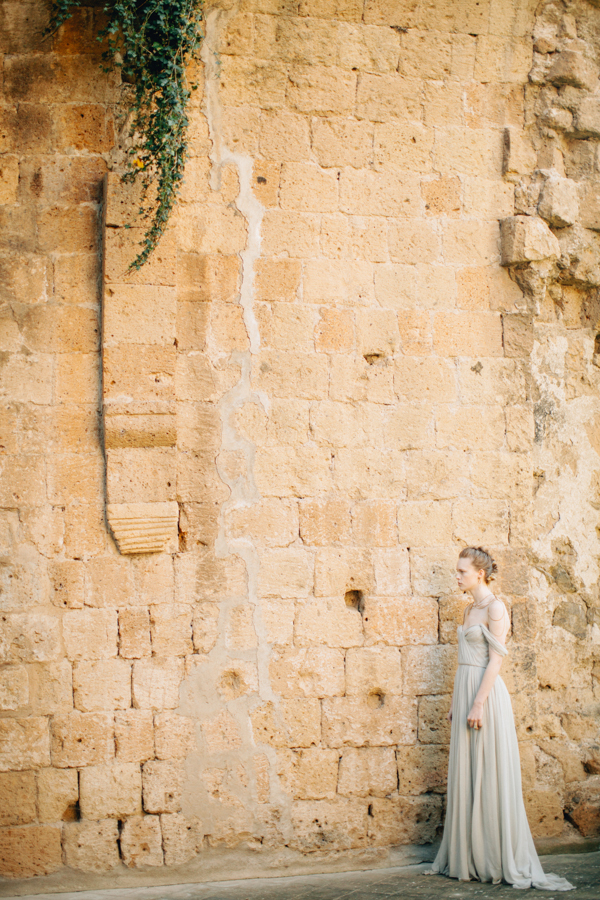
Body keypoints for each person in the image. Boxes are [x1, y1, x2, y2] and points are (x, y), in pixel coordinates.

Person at [424, 547, 574, 891]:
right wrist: (454, 702)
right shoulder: (468, 609)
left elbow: (495, 661)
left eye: (462, 571)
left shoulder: (495, 607)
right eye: (457, 570)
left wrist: (477, 703)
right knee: (467, 772)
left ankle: (494, 856)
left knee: (489, 772)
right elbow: (464, 659)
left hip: (485, 696)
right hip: (465, 690)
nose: (457, 576)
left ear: (480, 573)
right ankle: (469, 856)